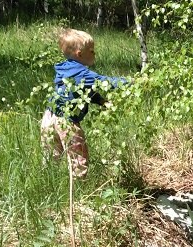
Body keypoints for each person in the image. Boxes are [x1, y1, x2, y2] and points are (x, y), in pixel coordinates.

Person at [41, 29, 128, 178]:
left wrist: (101, 101)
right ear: (80, 54)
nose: (95, 54)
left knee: (51, 157)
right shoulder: (82, 73)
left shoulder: (65, 69)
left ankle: (47, 182)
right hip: (67, 122)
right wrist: (132, 82)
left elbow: (83, 91)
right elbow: (104, 82)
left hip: (49, 118)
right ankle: (79, 190)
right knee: (78, 158)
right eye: (92, 51)